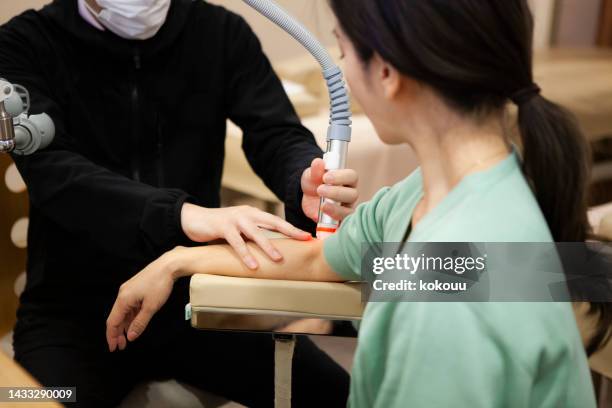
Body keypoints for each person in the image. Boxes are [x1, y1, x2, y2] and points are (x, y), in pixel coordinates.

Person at [106, 0, 612, 407]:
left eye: (343, 50)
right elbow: (318, 257)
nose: (341, 70)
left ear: (388, 73)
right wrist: (177, 261)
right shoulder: (425, 198)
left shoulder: (449, 298)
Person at [0, 0, 359, 406]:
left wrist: (302, 179)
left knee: (338, 397)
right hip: (73, 312)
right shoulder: (22, 44)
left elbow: (277, 134)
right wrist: (182, 217)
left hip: (194, 303)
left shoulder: (221, 32)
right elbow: (54, 172)